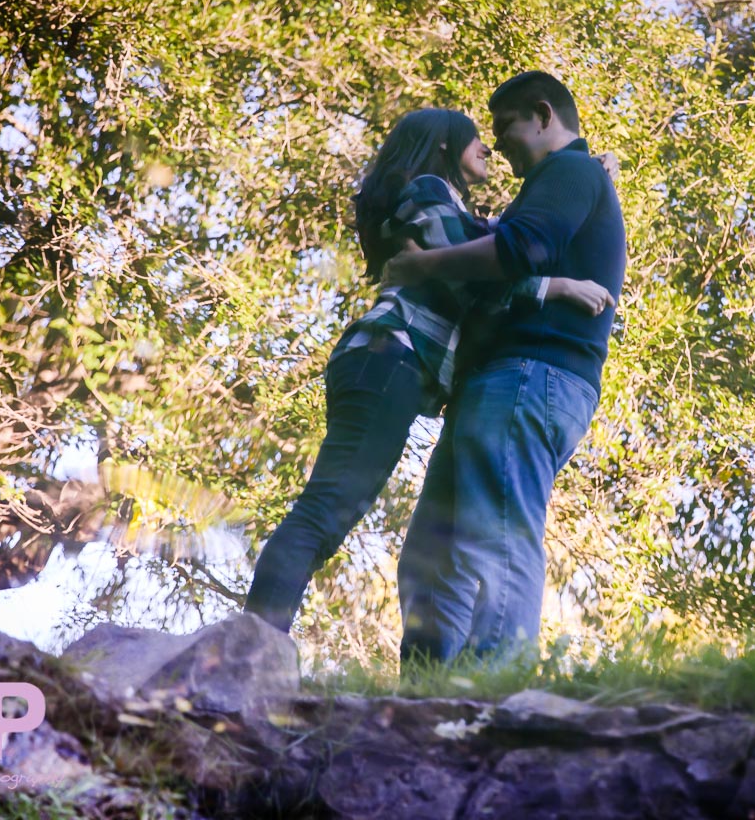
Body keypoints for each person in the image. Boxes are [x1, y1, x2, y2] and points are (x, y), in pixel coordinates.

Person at [243, 107, 615, 634]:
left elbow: (494, 236)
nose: (487, 148)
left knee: (333, 511)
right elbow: (479, 273)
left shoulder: (444, 203)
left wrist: (592, 174)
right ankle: (255, 640)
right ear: (444, 144)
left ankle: (259, 637)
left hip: (386, 364)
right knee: (326, 508)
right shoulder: (427, 189)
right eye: (475, 138)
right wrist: (557, 286)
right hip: (386, 358)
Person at [383, 72, 627, 665]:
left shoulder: (571, 172)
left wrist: (421, 267)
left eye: (505, 127)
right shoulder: (560, 181)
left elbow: (518, 252)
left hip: (530, 376)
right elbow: (507, 252)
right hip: (498, 386)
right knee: (430, 556)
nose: (496, 144)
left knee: (496, 540)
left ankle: (495, 688)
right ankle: (428, 698)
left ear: (543, 115)